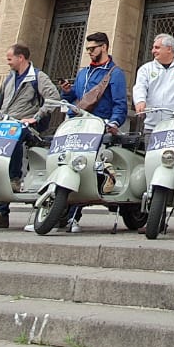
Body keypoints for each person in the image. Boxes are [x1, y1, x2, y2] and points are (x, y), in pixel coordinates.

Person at [50, 32, 130, 233]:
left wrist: (113, 123)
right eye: (87, 49)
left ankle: (73, 216)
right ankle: (58, 211)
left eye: (92, 49)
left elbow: (120, 104)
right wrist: (67, 91)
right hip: (76, 125)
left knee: (83, 168)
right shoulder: (83, 73)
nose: (89, 52)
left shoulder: (115, 73)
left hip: (97, 127)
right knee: (64, 162)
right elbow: (76, 99)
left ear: (104, 47)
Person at [0, 44, 60, 227]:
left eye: (10, 58)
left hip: (23, 125)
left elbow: (54, 97)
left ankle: (15, 179)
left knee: (13, 144)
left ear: (21, 58)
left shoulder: (38, 77)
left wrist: (36, 117)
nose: (7, 62)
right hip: (4, 123)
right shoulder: (9, 78)